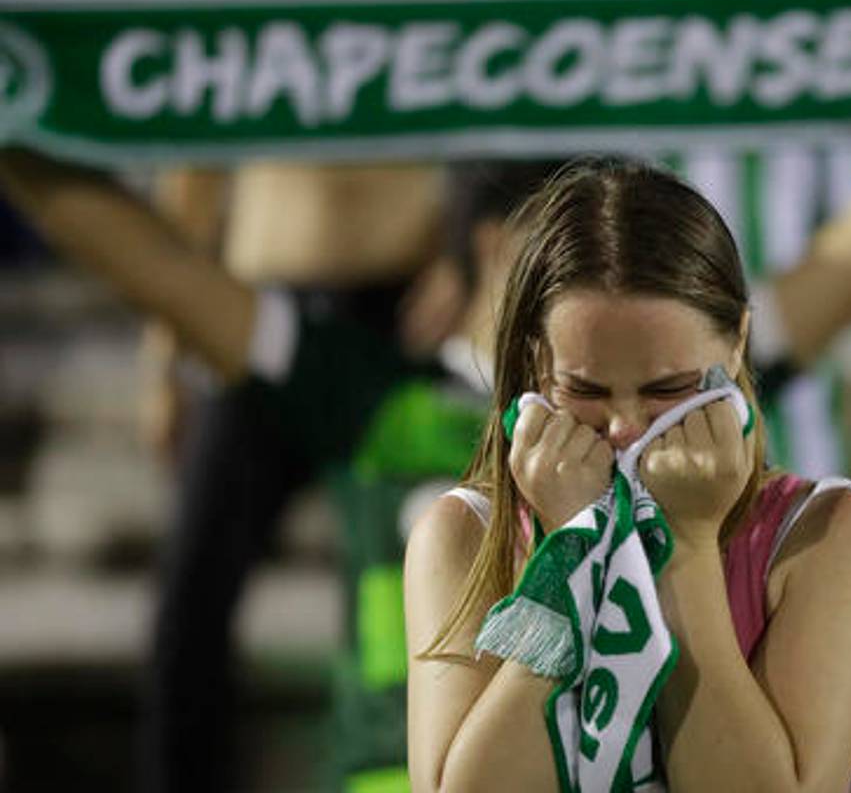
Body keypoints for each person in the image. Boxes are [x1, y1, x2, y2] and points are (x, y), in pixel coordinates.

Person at [0, 149, 562, 791]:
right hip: (389, 776)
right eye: (562, 255)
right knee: (189, 601)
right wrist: (15, 121)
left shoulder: (620, 423)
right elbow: (165, 278)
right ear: (494, 247)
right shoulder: (374, 392)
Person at [404, 159, 851, 792]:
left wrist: (689, 550)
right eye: (584, 389)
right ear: (534, 363)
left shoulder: (832, 538)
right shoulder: (460, 535)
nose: (625, 428)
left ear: (737, 344)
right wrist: (566, 559)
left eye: (668, 388)